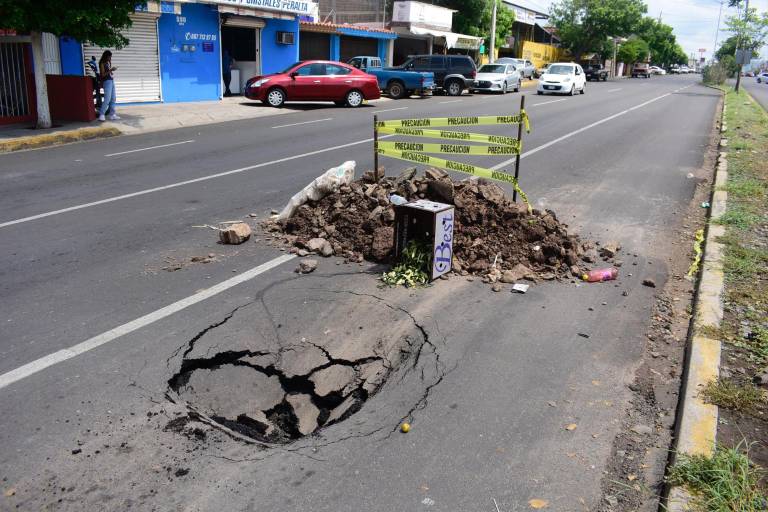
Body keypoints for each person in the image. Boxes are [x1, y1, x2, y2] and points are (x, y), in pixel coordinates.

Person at [98, 50, 119, 121]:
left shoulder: (108, 62)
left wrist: (112, 71)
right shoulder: (102, 63)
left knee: (113, 98)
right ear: (106, 56)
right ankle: (101, 114)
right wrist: (110, 70)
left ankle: (112, 114)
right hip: (106, 82)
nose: (110, 58)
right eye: (109, 57)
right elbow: (103, 74)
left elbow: (108, 73)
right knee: (107, 98)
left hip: (111, 81)